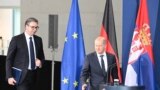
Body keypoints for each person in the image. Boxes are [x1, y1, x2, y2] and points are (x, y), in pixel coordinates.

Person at [6, 17, 45, 90]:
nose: (35, 29)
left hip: (35, 76)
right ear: (26, 26)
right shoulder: (16, 39)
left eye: (36, 27)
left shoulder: (38, 40)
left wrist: (40, 63)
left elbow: (42, 57)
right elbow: (9, 59)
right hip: (21, 76)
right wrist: (9, 76)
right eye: (32, 27)